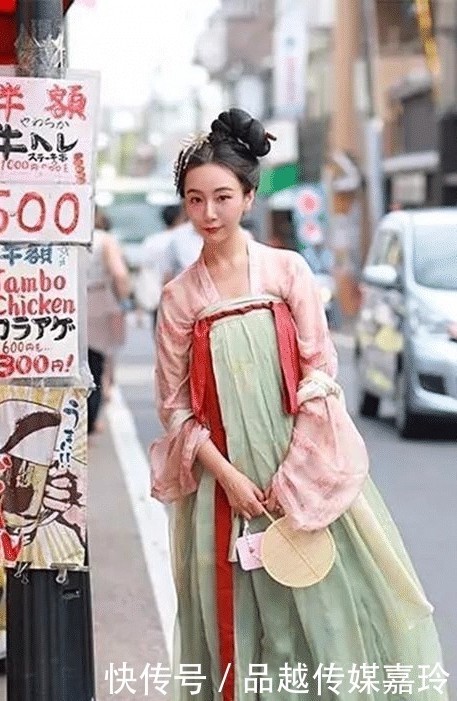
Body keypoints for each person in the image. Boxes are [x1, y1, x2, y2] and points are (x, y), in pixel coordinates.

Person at [150, 108, 447, 701]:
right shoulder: (179, 298)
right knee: (240, 626)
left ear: (250, 196)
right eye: (195, 199)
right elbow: (175, 407)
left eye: (222, 197)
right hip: (223, 488)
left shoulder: (286, 272)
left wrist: (292, 475)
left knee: (331, 611)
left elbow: (320, 376)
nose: (209, 213)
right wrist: (230, 478)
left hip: (305, 474)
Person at [87, 210, 130, 435]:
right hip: (97, 302)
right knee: (95, 363)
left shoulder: (59, 239)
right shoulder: (104, 239)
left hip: (62, 302)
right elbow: (119, 273)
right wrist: (124, 300)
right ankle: (90, 420)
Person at [135, 204, 185, 330]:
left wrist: (139, 307)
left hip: (157, 300)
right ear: (181, 217)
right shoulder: (185, 240)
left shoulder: (151, 241)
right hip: (182, 301)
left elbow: (142, 273)